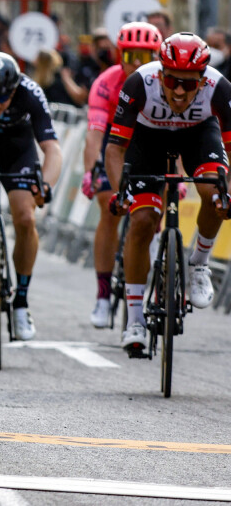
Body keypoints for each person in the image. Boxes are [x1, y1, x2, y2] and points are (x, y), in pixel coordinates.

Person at [105, 32, 231, 355]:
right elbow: (115, 150)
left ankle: (198, 263)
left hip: (198, 135)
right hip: (148, 139)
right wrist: (122, 193)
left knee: (215, 192)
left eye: (188, 85)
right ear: (160, 73)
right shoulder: (138, 83)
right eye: (172, 80)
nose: (178, 91)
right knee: (143, 220)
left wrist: (227, 192)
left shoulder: (220, 88)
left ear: (201, 82)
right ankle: (134, 320)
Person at [0, 52, 62, 340]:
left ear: (14, 90)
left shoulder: (30, 92)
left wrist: (47, 186)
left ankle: (21, 302)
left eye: (2, 98)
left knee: (26, 217)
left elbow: (52, 149)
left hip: (17, 149)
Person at [81, 22, 162, 328]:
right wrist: (91, 170)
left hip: (151, 146)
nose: (137, 64)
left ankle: (153, 275)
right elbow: (94, 136)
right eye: (130, 56)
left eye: (144, 55)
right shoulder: (106, 83)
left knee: (156, 213)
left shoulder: (165, 82)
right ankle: (103, 294)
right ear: (119, 55)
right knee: (108, 206)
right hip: (114, 147)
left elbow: (180, 133)